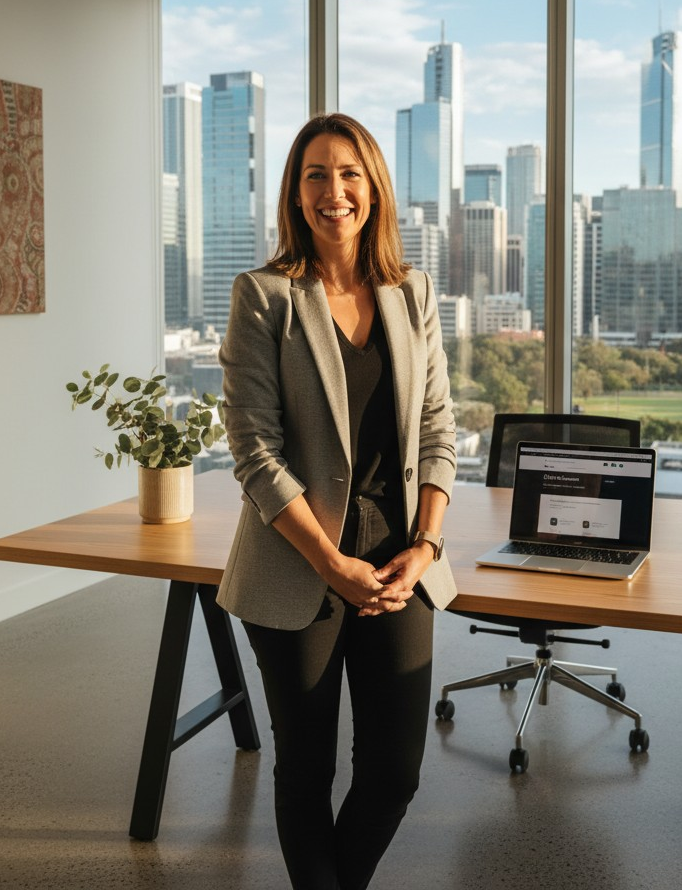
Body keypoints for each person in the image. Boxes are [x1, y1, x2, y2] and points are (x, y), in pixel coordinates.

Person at [217, 112, 457, 890]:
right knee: (307, 767)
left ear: (375, 188)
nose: (334, 191)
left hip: (399, 556)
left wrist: (426, 544)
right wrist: (330, 562)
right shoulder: (265, 297)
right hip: (298, 561)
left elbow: (437, 426)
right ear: (294, 193)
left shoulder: (411, 290)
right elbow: (254, 452)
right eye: (315, 174)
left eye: (349, 173)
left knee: (394, 771)